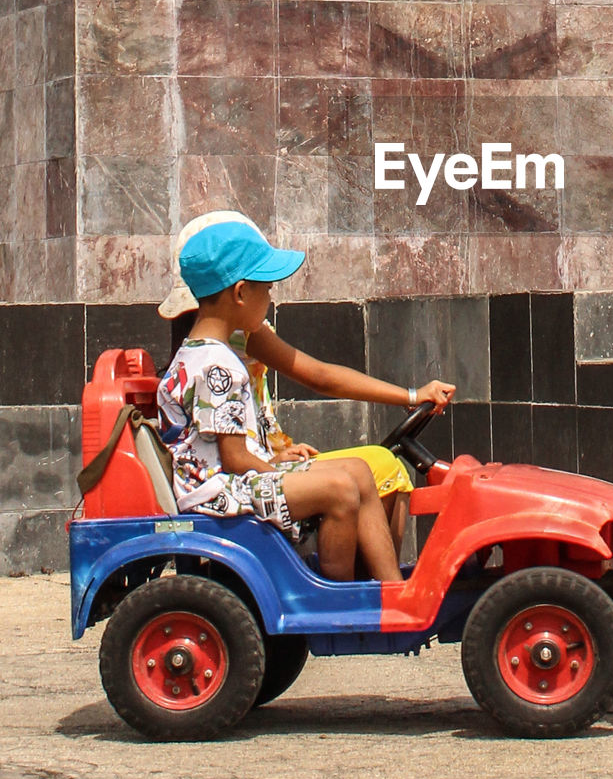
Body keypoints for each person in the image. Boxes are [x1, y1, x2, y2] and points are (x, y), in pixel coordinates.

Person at [157, 219, 453, 582]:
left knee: (359, 470)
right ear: (239, 294)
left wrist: (280, 462)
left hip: (224, 481)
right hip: (217, 493)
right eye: (266, 289)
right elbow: (234, 459)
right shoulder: (219, 367)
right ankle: (337, 599)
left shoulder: (201, 355)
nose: (270, 299)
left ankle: (391, 590)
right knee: (340, 487)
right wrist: (281, 472)